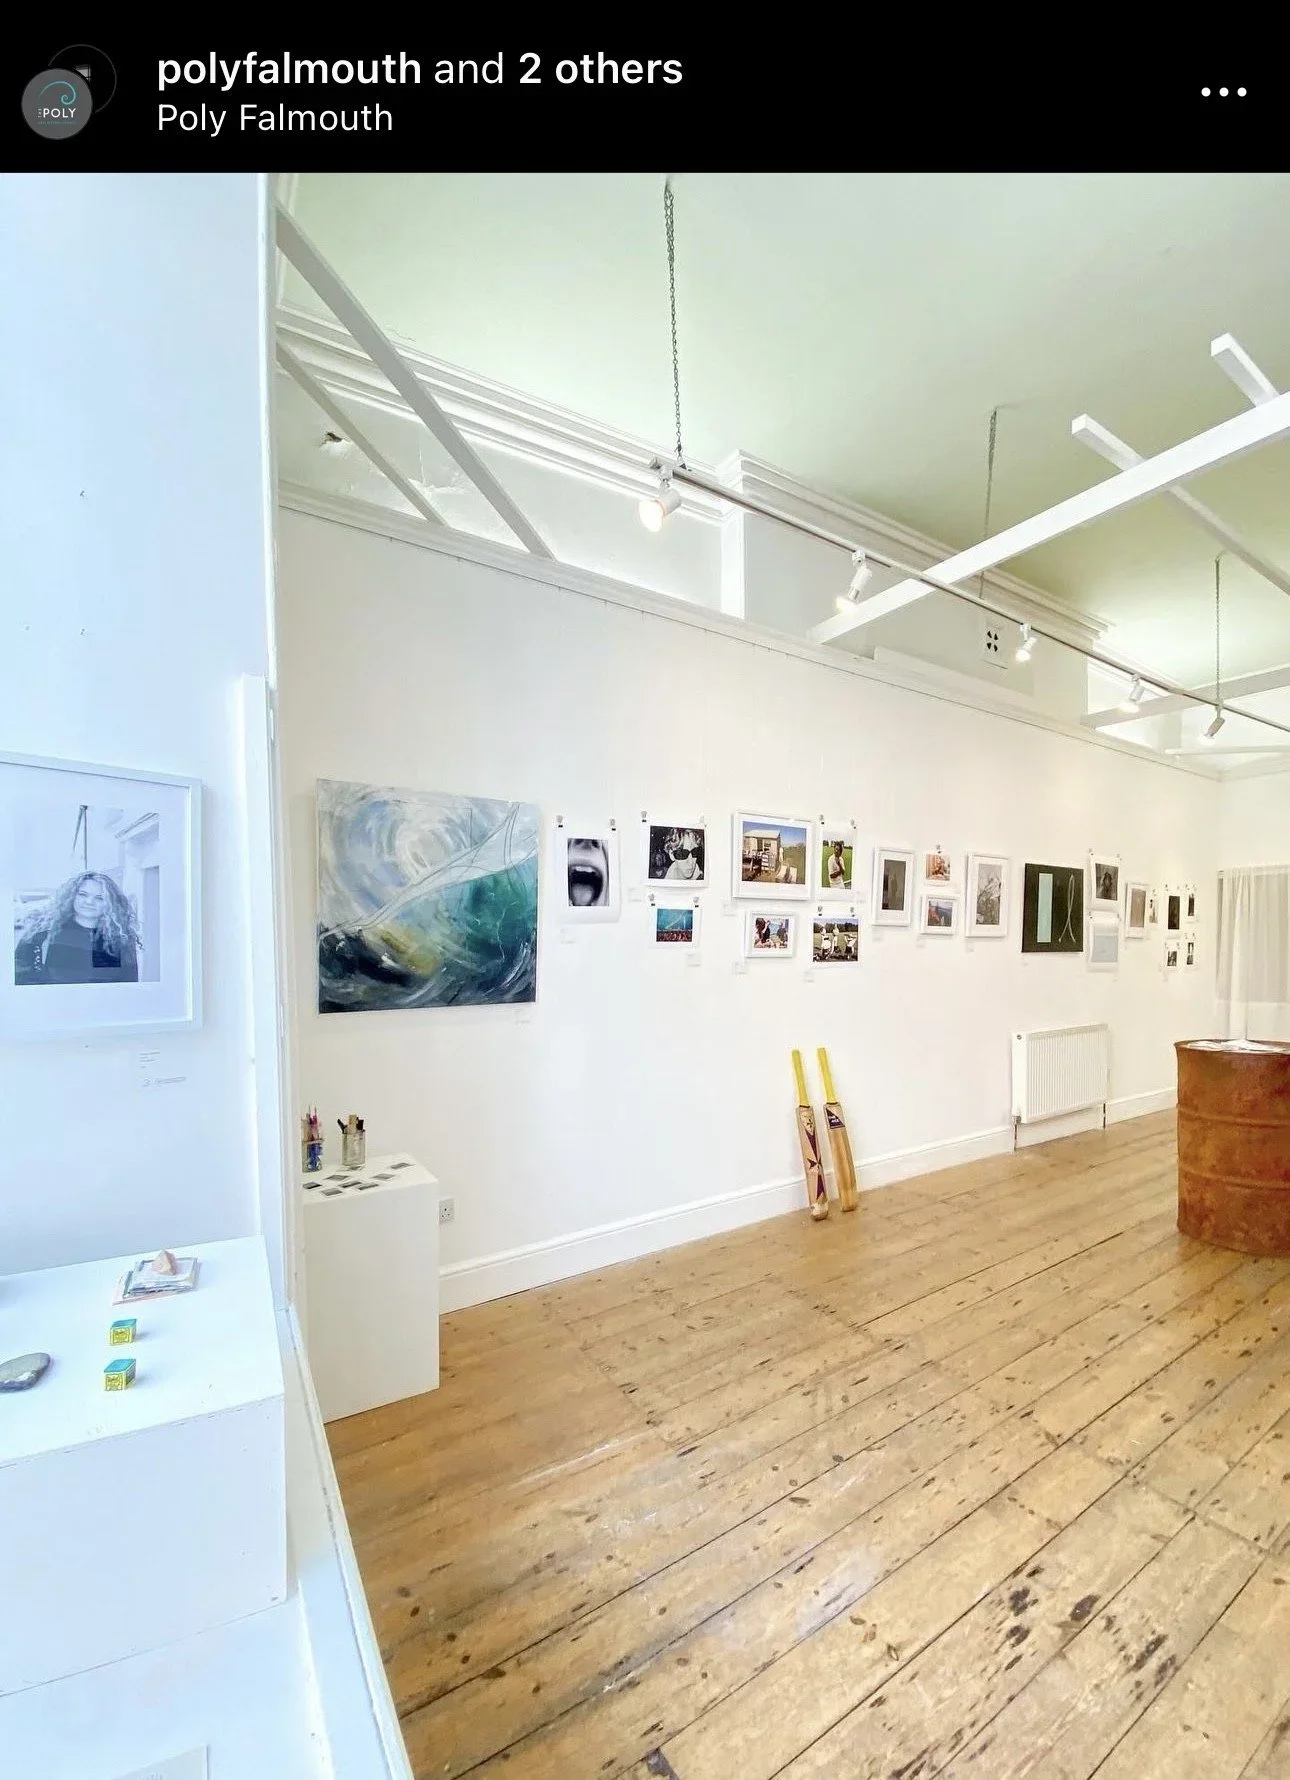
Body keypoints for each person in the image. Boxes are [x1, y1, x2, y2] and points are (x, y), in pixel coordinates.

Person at [15, 871, 140, 984]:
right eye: (83, 894)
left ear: (111, 903)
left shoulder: (120, 940)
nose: (89, 902)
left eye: (99, 898)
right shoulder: (40, 935)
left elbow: (127, 986)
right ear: (72, 896)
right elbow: (22, 980)